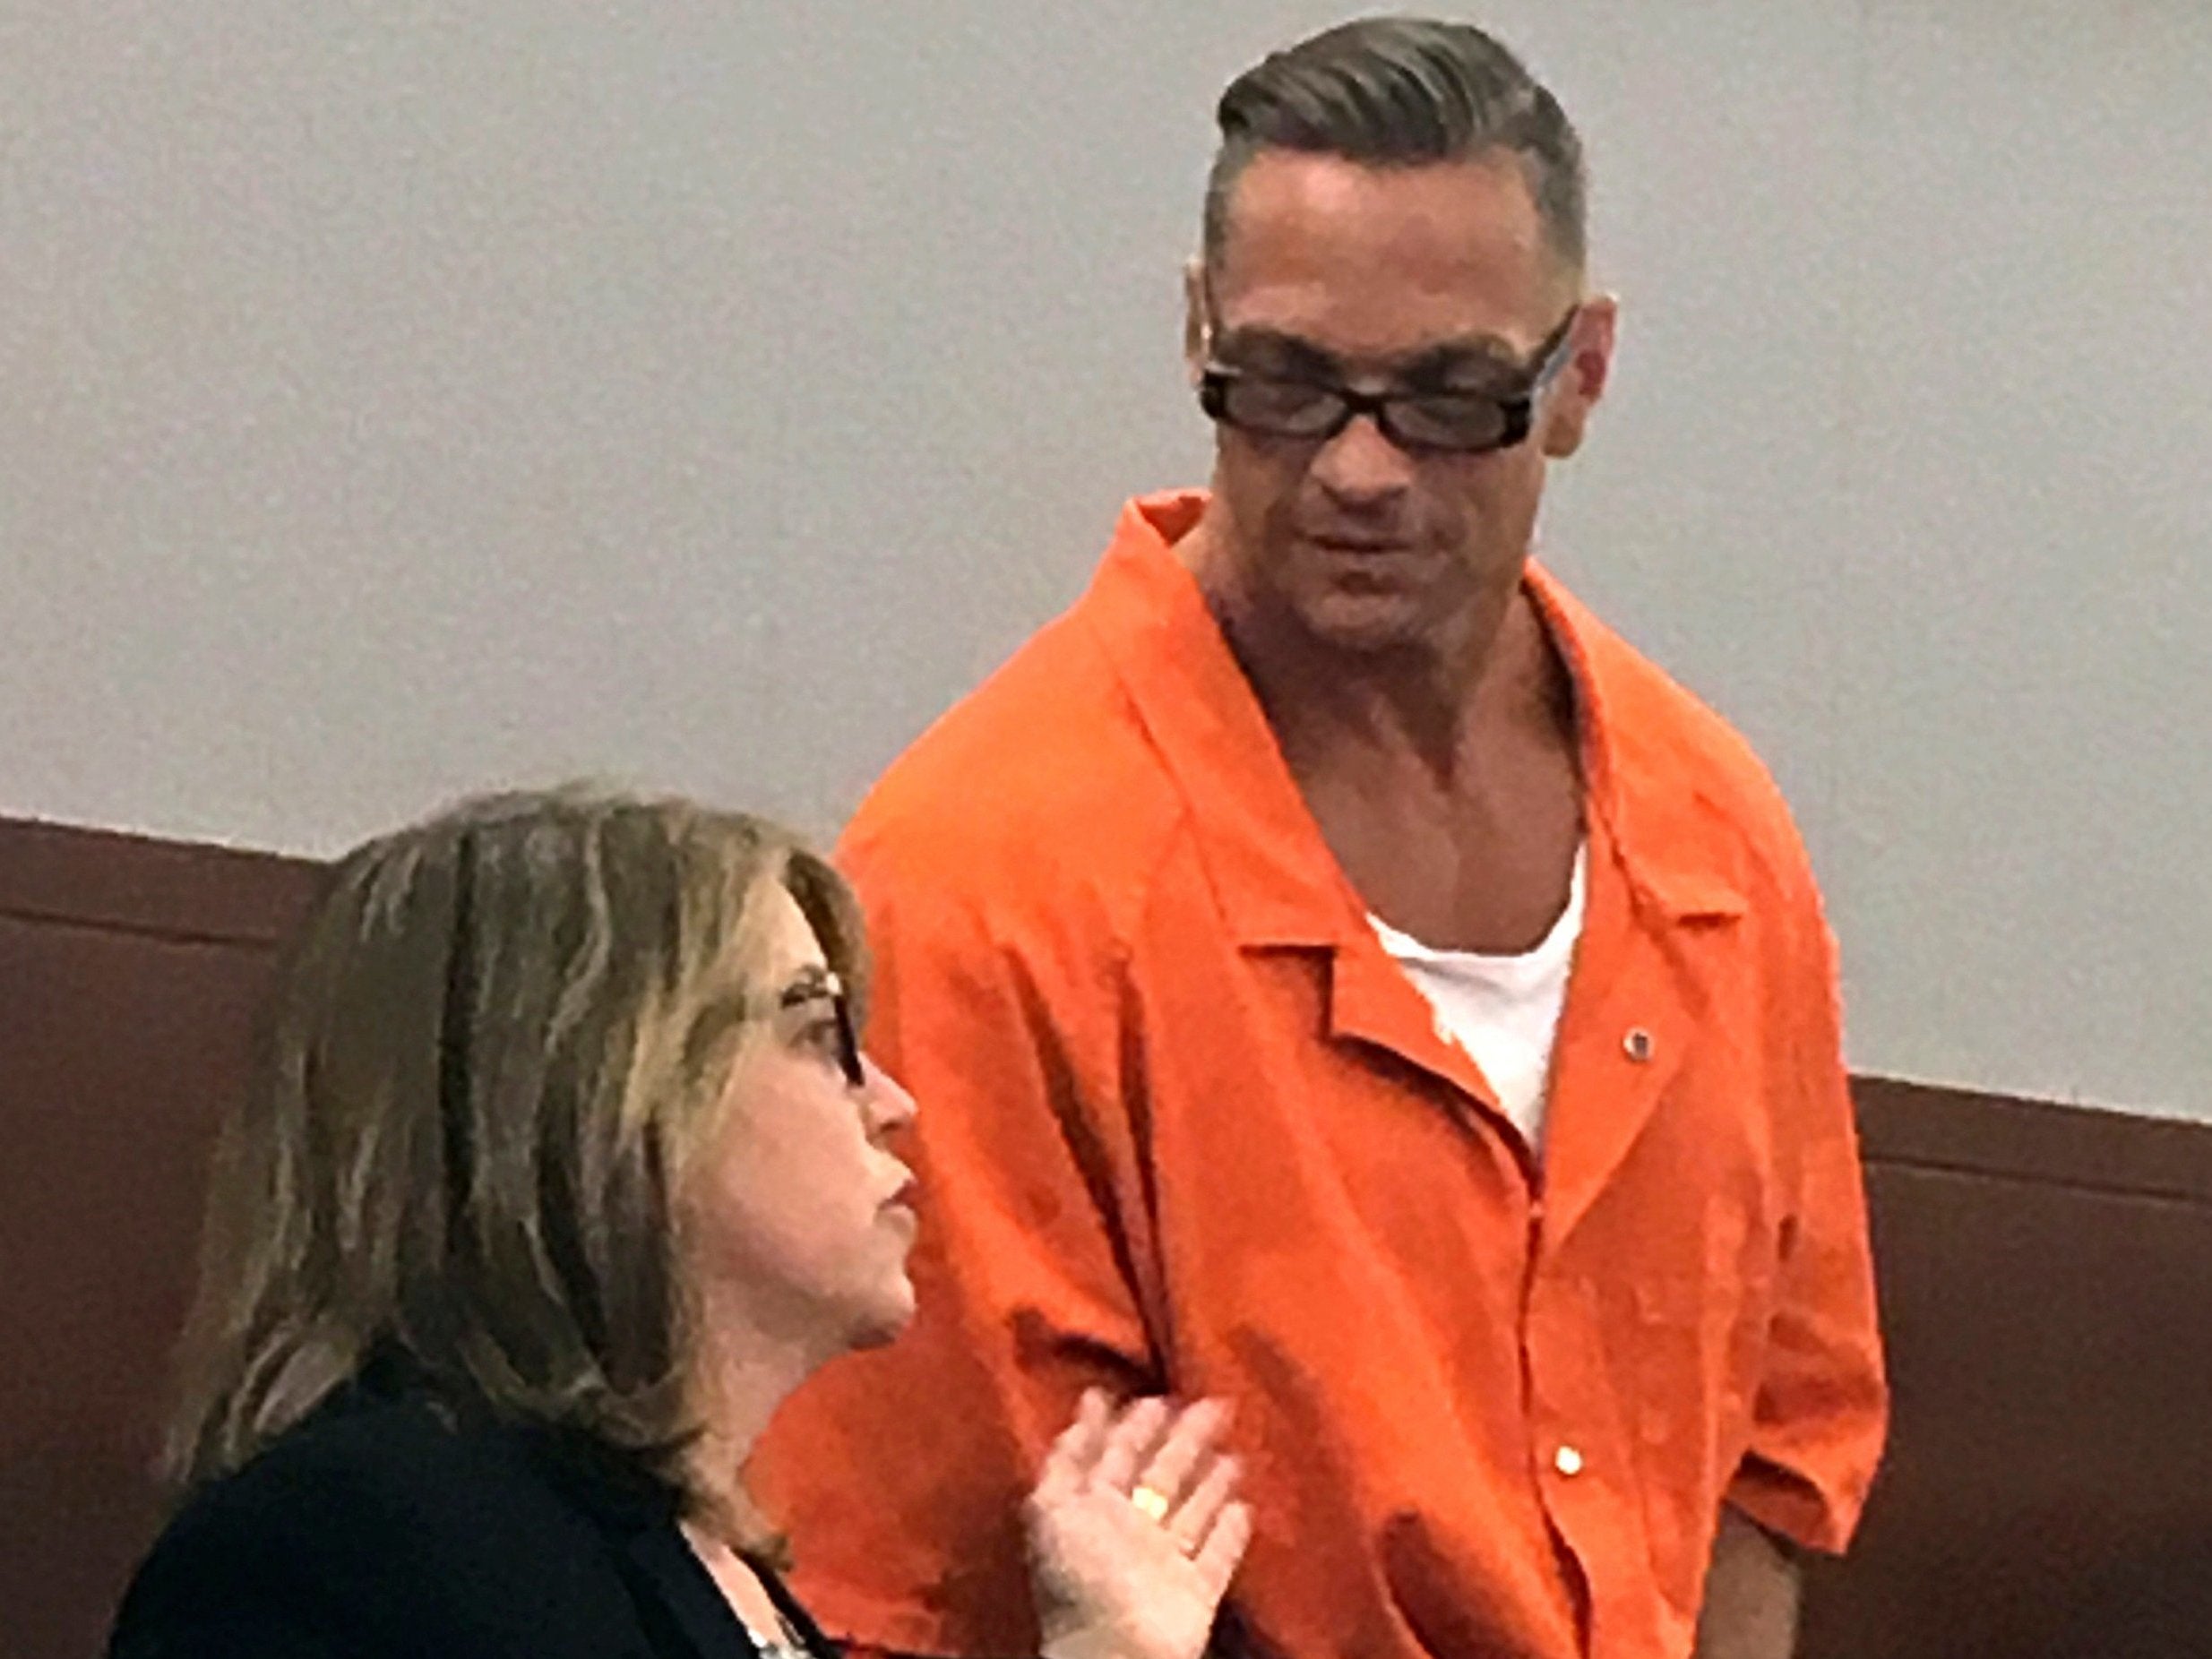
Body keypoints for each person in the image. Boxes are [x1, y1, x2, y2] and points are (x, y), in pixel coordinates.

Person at [751, 18, 1888, 1659]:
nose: (1356, 468)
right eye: (1281, 385)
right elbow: (894, 1590)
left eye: (1444, 399)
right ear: (1196, 334)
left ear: (1576, 377)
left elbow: (1772, 1460)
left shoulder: (1709, 835)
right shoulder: (985, 881)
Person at [108, 789, 1252, 1659]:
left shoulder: (703, 1559)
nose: (893, 1102)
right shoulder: (354, 1545)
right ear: (599, 1090)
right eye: (821, 1032)